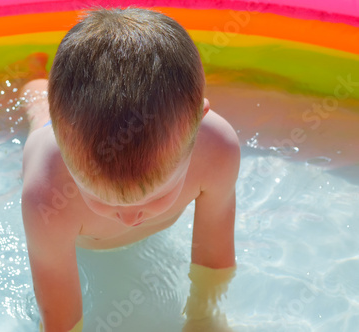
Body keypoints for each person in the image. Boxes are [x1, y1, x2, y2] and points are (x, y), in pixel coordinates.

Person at [20, 7, 239, 332]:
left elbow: (213, 260)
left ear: (198, 123)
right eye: (101, 196)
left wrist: (205, 318)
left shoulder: (217, 151)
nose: (128, 217)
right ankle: (34, 82)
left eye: (156, 195)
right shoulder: (47, 194)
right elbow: (60, 319)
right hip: (55, 133)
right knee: (41, 114)